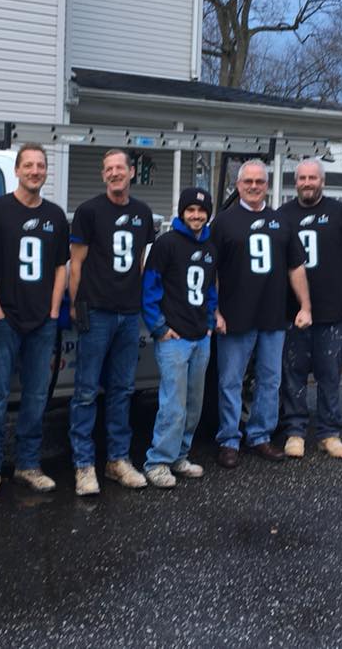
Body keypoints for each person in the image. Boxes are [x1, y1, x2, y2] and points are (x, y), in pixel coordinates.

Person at [0, 143, 68, 498]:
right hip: (5, 317)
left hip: (42, 320)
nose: (34, 171)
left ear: (45, 171)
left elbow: (61, 265)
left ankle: (28, 464)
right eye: (28, 165)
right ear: (16, 170)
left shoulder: (55, 216)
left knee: (35, 396)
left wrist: (55, 309)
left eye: (40, 165)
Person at [209, 159, 311, 469]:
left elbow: (296, 267)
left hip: (272, 315)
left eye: (260, 182)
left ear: (267, 185)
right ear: (237, 185)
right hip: (235, 315)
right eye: (248, 181)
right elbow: (210, 269)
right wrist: (214, 310)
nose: (254, 186)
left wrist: (305, 305)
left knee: (270, 380)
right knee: (230, 381)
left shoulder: (281, 222)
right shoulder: (223, 222)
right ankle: (229, 439)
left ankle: (260, 436)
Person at [69, 149, 155, 495]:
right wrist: (78, 306)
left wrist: (133, 301)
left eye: (120, 168)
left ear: (131, 172)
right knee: (86, 391)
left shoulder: (142, 212)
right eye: (109, 169)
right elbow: (76, 264)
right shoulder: (89, 212)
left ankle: (117, 459)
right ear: (102, 174)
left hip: (128, 312)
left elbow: (139, 260)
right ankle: (83, 464)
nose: (115, 173)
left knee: (122, 389)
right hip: (98, 310)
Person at [278, 159, 342, 460]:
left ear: (322, 180)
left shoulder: (340, 212)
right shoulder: (283, 215)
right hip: (294, 311)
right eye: (302, 178)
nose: (307, 182)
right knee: (292, 373)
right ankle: (294, 431)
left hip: (333, 309)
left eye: (312, 177)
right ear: (296, 182)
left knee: (329, 373)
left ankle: (329, 433)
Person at [141, 188, 217, 488]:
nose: (196, 215)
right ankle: (157, 460)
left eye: (201, 210)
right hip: (174, 337)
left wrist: (210, 321)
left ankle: (179, 455)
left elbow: (210, 288)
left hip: (200, 335)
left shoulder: (210, 246)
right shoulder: (167, 244)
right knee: (173, 402)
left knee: (194, 402)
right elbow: (149, 288)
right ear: (182, 212)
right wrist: (159, 327)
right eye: (191, 210)